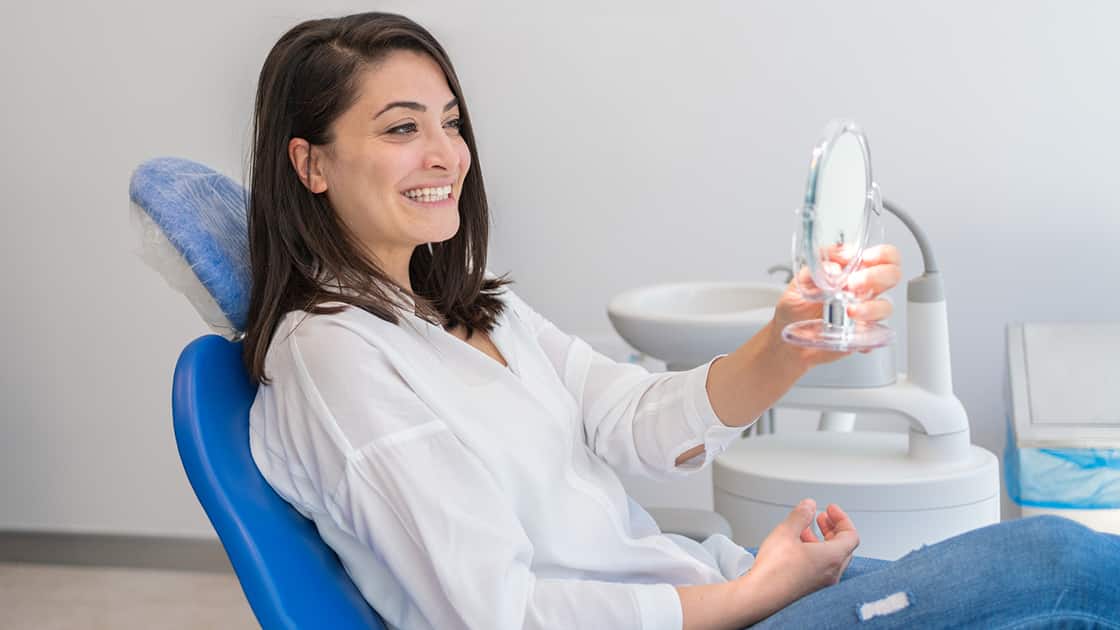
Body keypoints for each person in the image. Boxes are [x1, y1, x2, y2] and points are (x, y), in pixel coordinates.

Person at [242, 12, 1120, 630]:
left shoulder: (473, 312)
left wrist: (784, 346)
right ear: (310, 162)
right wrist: (756, 592)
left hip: (707, 585)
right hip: (715, 610)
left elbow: (629, 420)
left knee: (1059, 582)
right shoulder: (335, 357)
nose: (446, 156)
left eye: (451, 122)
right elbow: (498, 613)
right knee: (1062, 567)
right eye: (402, 129)